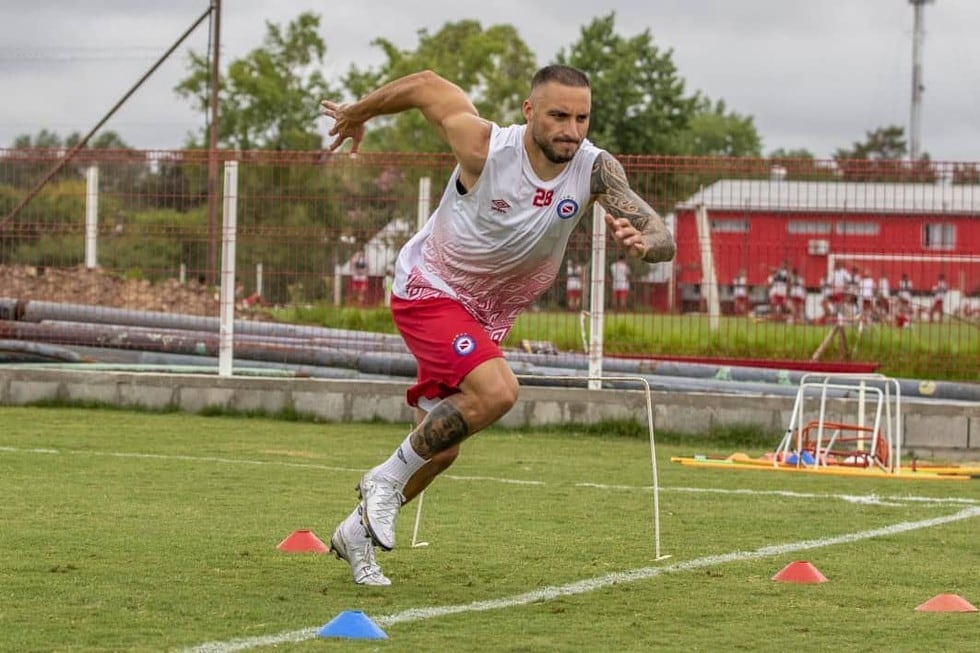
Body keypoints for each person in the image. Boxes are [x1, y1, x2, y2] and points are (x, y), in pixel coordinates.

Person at [319, 66, 675, 586]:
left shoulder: (596, 169)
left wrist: (648, 245)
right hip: (430, 290)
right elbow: (426, 85)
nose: (571, 131)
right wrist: (357, 112)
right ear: (530, 111)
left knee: (441, 447)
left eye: (581, 118)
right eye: (558, 115)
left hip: (486, 315)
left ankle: (356, 532)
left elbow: (659, 230)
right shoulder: (485, 147)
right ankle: (383, 480)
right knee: (499, 391)